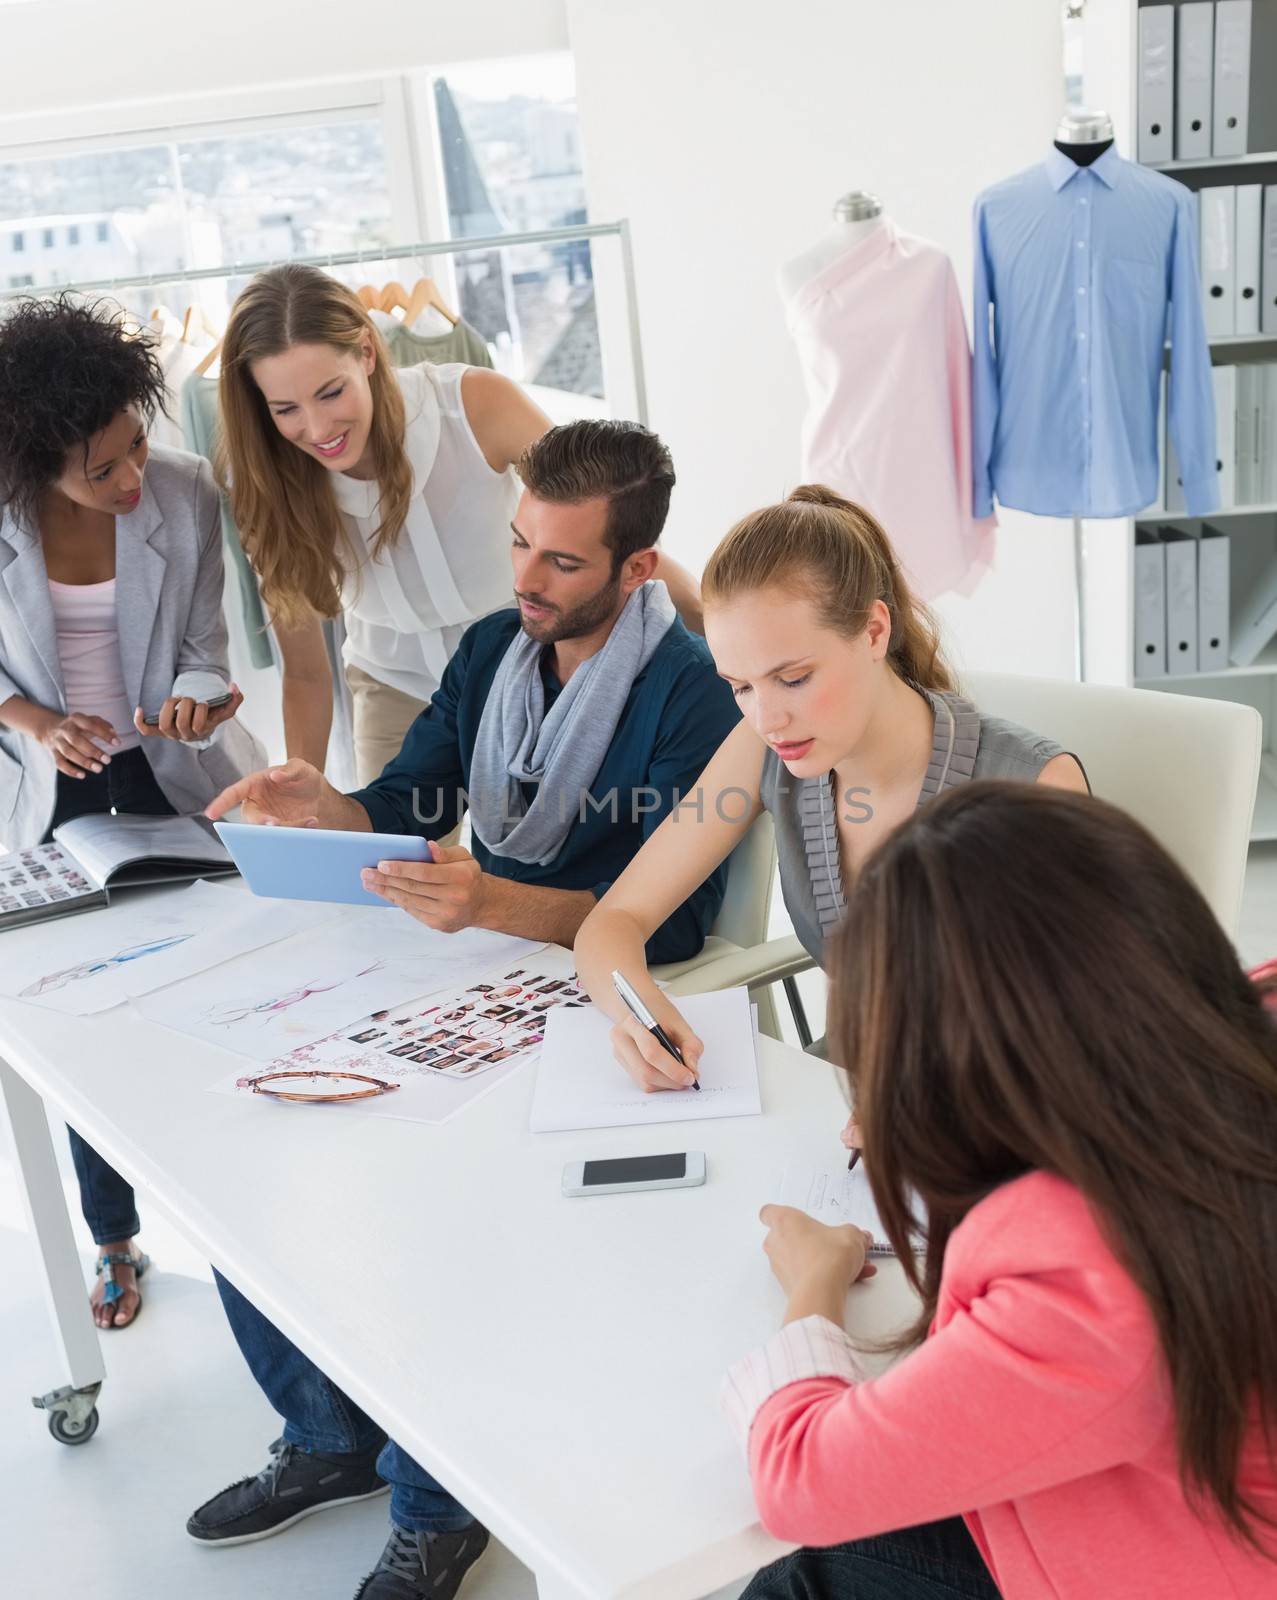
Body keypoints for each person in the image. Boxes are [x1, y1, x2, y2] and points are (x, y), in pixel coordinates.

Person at [192, 419, 739, 1600]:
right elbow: (407, 798)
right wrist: (324, 802)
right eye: (518, 544)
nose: (525, 582)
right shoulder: (494, 645)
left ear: (637, 568)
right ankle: (333, 1436)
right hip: (462, 957)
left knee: (435, 1200)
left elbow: (672, 926)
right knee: (246, 1142)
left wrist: (494, 897)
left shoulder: (691, 694)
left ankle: (439, 1508)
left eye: (561, 563)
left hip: (586, 990)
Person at [722, 782, 1277, 1600]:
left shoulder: (1089, 1285)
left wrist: (813, 1286)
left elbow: (800, 1480)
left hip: (1181, 1559)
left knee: (803, 1578)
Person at [574, 485, 1088, 1088]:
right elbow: (614, 922)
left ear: (874, 632)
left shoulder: (1035, 785)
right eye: (740, 687)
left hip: (992, 1111)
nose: (767, 719)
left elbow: (1074, 1031)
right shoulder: (762, 749)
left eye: (792, 679)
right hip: (843, 1098)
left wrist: (926, 1110)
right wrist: (642, 1017)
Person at [0, 295, 261, 1330]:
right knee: (86, 1024)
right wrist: (32, 719)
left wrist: (201, 695)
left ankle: (243, 1204)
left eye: (134, 449)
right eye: (97, 469)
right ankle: (115, 1239)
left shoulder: (188, 493)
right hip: (47, 798)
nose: (128, 480)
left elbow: (206, 642)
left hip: (173, 776)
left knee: (223, 993)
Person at [218, 262, 703, 783]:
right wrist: (300, 797)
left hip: (533, 671)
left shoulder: (473, 406)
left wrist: (723, 640)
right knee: (389, 863)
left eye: (331, 393)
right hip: (393, 691)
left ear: (366, 351)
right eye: (286, 409)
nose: (317, 428)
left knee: (536, 859)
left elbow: (601, 520)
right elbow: (309, 673)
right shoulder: (264, 486)